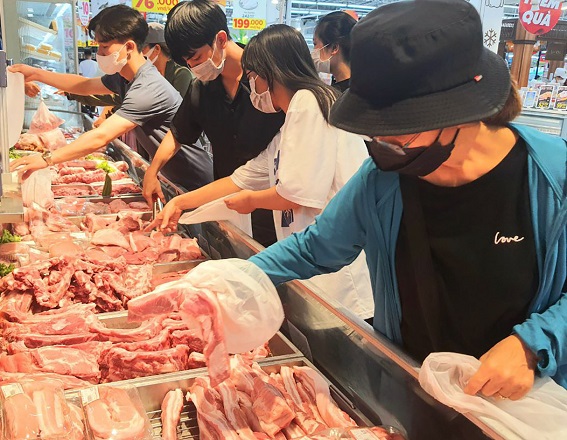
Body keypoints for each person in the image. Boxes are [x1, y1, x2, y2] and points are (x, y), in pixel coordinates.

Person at [244, 0, 567, 400]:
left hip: (521, 403)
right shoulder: (382, 179)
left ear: (461, 112)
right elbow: (315, 248)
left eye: (401, 131)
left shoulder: (553, 178)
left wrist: (533, 345)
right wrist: (236, 276)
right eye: (376, 132)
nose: (384, 145)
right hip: (414, 394)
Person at [148, 24, 374, 320]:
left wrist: (252, 201)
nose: (252, 85)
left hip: (339, 273)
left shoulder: (308, 102)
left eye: (253, 76)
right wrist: (181, 202)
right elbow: (244, 177)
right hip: (316, 264)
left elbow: (295, 193)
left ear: (272, 72)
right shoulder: (290, 121)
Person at [10, 5, 213, 194]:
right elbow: (85, 85)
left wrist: (47, 159)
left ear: (129, 46)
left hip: (196, 181)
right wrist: (36, 73)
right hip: (174, 177)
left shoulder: (147, 86)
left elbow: (101, 136)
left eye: (105, 46)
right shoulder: (125, 77)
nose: (99, 54)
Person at [142, 0, 285, 247]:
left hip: (276, 208)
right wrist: (152, 171)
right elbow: (177, 133)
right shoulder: (202, 88)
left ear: (220, 39)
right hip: (227, 204)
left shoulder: (269, 81)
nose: (193, 67)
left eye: (196, 57)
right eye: (187, 62)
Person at [142, 22, 193, 97]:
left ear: (156, 49)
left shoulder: (181, 74)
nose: (139, 54)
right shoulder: (145, 73)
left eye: (142, 49)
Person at [312, 11, 357, 93]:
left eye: (315, 44)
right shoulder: (361, 87)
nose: (313, 51)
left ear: (334, 48)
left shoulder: (338, 94)